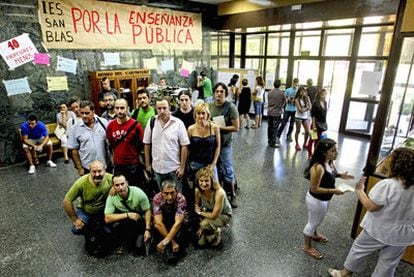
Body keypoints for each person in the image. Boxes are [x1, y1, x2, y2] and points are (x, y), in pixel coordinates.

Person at [328, 148, 414, 277]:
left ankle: (345, 273)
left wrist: (360, 190)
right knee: (389, 263)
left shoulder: (388, 185)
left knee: (359, 249)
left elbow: (371, 206)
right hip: (403, 234)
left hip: (379, 229)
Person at [303, 139, 354, 259]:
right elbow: (314, 188)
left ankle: (314, 235)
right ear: (323, 152)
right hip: (316, 200)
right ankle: (307, 247)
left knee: (317, 220)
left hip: (324, 199)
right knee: (313, 222)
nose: (336, 153)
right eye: (333, 151)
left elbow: (330, 174)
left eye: (336, 150)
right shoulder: (318, 167)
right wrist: (334, 191)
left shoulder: (329, 162)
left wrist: (340, 175)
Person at [63, 160, 112, 254]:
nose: (97, 174)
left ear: (104, 170)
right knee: (76, 229)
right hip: (86, 211)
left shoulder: (111, 178)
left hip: (104, 211)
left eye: (100, 171)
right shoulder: (81, 183)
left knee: (109, 231)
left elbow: (124, 185)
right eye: (94, 171)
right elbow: (67, 201)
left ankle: (97, 229)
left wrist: (114, 187)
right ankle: (90, 232)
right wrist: (75, 220)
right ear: (89, 171)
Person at [143, 98, 190, 192]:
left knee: (177, 196)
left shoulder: (178, 123)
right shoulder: (151, 122)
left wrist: (182, 167)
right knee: (161, 196)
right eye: (159, 108)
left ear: (170, 107)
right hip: (157, 168)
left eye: (164, 108)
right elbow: (147, 144)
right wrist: (148, 164)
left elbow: (184, 146)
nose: (162, 111)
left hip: (173, 168)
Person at [208, 82, 240, 208]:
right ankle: (219, 194)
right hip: (213, 143)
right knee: (216, 168)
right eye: (217, 91)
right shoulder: (209, 106)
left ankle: (232, 194)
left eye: (222, 92)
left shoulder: (230, 107)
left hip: (225, 143)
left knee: (227, 168)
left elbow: (236, 127)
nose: (219, 94)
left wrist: (221, 128)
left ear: (225, 94)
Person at [104, 174, 151, 255]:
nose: (121, 187)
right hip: (128, 220)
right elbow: (107, 218)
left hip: (141, 220)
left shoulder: (138, 193)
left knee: (139, 248)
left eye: (122, 184)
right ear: (113, 187)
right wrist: (128, 215)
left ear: (127, 183)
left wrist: (147, 230)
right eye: (117, 185)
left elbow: (147, 211)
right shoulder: (111, 197)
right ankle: (125, 240)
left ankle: (145, 235)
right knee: (114, 225)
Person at [106, 98, 145, 191]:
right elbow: (110, 144)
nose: (120, 111)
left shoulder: (136, 125)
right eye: (117, 108)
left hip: (133, 164)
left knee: (135, 189)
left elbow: (141, 143)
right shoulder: (111, 125)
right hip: (118, 164)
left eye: (122, 108)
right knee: (120, 190)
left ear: (128, 108)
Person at [67, 100, 109, 176]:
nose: (84, 116)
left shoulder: (103, 123)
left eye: (87, 113)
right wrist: (79, 168)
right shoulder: (75, 128)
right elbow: (73, 150)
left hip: (105, 166)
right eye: (82, 113)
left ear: (93, 112)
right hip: (87, 167)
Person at [195, 167, 232, 247]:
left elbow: (214, 215)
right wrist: (200, 225)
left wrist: (201, 213)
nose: (204, 184)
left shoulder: (219, 193)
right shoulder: (197, 191)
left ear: (212, 181)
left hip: (223, 214)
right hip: (208, 212)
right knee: (201, 243)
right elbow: (197, 208)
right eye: (201, 181)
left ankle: (217, 232)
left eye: (206, 181)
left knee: (204, 224)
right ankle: (211, 229)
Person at [153, 179, 188, 261]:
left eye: (172, 193)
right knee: (155, 225)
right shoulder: (157, 198)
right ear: (161, 192)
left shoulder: (181, 198)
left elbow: (178, 223)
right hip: (165, 220)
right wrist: (171, 241)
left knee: (183, 227)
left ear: (176, 191)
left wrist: (165, 242)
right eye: (166, 193)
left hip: (176, 221)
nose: (170, 197)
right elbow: (158, 223)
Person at [308, 88, 328, 158]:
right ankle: (310, 154)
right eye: (323, 94)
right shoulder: (315, 103)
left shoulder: (325, 103)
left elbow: (325, 114)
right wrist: (313, 125)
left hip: (321, 124)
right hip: (315, 124)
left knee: (318, 140)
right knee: (312, 139)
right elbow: (313, 115)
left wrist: (325, 123)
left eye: (325, 94)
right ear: (319, 95)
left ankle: (315, 154)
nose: (324, 96)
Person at [278, 78, 299, 142]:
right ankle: (278, 135)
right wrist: (288, 100)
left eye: (296, 83)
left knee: (292, 125)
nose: (295, 84)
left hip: (295, 110)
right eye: (294, 82)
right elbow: (285, 100)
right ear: (292, 82)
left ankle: (289, 136)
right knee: (283, 123)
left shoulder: (298, 91)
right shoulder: (288, 90)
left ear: (298, 83)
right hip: (287, 109)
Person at [267, 79, 285, 148]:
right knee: (275, 127)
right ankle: (273, 142)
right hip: (277, 112)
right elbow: (284, 102)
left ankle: (269, 139)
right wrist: (281, 107)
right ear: (280, 85)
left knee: (269, 126)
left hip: (269, 112)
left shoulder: (270, 92)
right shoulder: (281, 93)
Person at [294, 87, 312, 151]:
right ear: (299, 92)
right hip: (298, 117)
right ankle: (297, 144)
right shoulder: (296, 99)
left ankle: (305, 143)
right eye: (301, 92)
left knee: (307, 131)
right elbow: (300, 110)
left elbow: (310, 107)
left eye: (304, 92)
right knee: (298, 130)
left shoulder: (307, 98)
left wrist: (306, 108)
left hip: (305, 117)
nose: (303, 93)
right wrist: (306, 108)